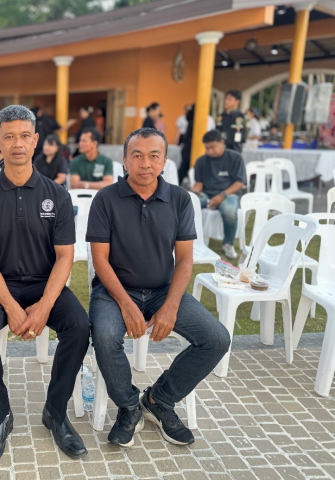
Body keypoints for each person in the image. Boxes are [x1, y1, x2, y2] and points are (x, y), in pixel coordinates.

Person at [87, 127, 230, 448]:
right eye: (137, 155)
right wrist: (126, 305)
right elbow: (100, 260)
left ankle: (158, 400)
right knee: (106, 336)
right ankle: (128, 406)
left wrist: (170, 307)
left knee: (217, 339)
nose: (145, 163)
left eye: (154, 156)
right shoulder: (106, 199)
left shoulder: (179, 199)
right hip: (114, 290)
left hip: (163, 290)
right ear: (124, 160)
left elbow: (185, 260)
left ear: (164, 161)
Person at [0, 105, 91, 466]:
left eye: (24, 136)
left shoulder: (58, 194)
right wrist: (12, 307)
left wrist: (43, 306)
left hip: (44, 283)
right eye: (9, 137)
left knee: (78, 325)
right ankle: (0, 415)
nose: (17, 144)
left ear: (35, 140)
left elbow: (65, 257)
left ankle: (56, 412)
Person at [191, 130, 246, 259]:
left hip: (229, 194)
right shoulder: (201, 161)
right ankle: (189, 241)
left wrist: (222, 195)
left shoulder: (235, 158)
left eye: (212, 147)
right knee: (189, 204)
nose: (209, 151)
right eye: (206, 148)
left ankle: (228, 244)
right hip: (206, 194)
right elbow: (199, 183)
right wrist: (194, 194)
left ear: (222, 142)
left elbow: (240, 182)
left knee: (229, 212)